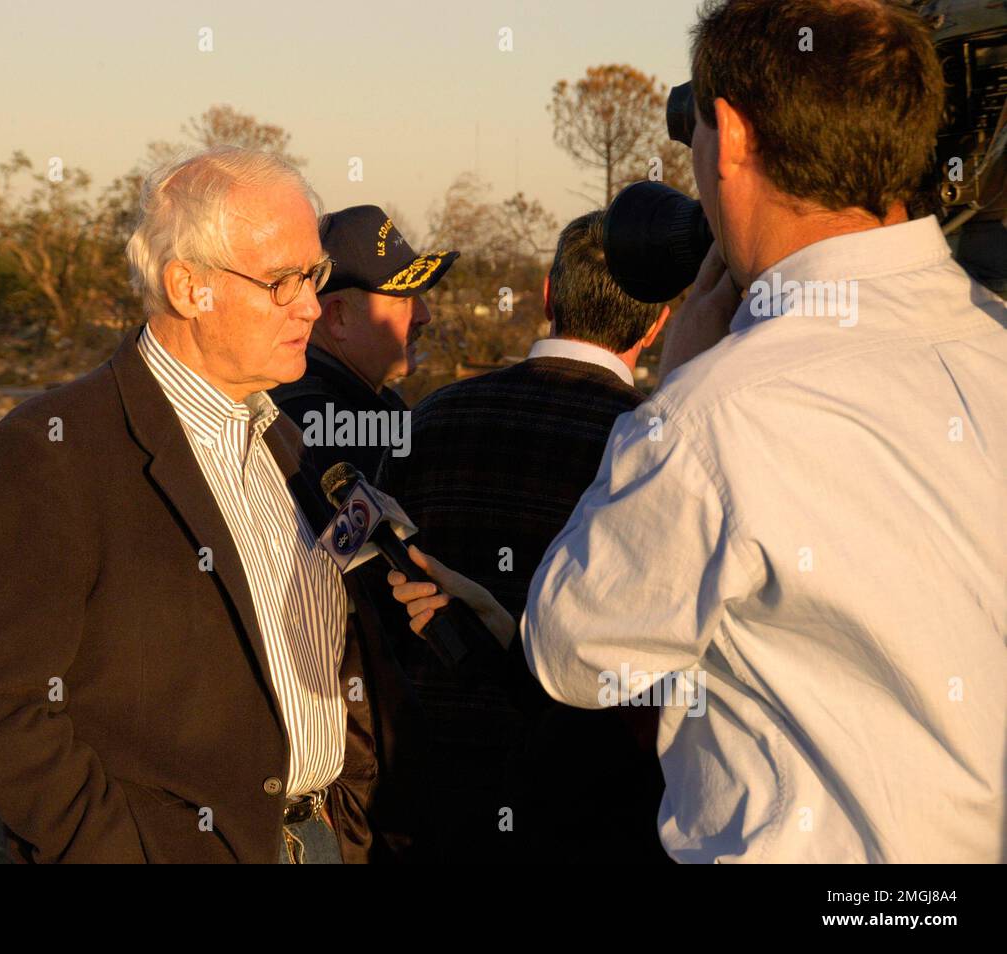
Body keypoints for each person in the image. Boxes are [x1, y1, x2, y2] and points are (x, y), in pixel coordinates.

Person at [385, 0, 1006, 863]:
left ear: (732, 135)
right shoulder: (990, 341)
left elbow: (573, 650)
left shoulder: (718, 412)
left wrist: (675, 387)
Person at [0, 147, 421, 864]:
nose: (311, 305)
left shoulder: (284, 440)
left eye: (312, 276)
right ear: (189, 288)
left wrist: (351, 812)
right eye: (282, 282)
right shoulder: (55, 451)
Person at [376, 209, 670, 862]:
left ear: (546, 296)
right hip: (592, 807)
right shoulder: (657, 448)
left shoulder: (429, 419)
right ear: (657, 322)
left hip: (427, 792)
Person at [270, 204, 457, 477]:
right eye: (404, 299)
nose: (424, 315)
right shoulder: (323, 428)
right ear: (338, 317)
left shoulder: (358, 405)